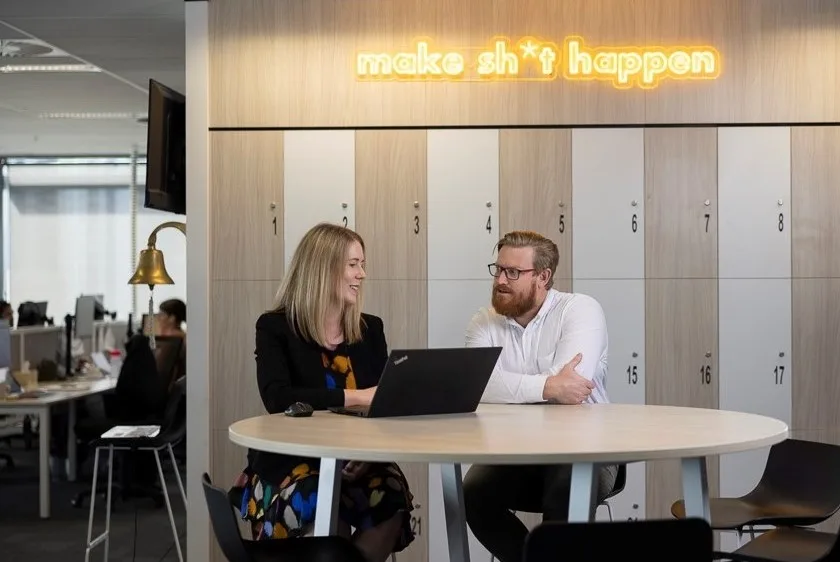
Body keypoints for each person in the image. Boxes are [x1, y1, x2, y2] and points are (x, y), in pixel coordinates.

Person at [230, 222, 415, 562]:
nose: (363, 274)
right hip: (292, 459)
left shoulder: (369, 328)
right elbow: (279, 399)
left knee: (392, 497)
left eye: (363, 264)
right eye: (353, 264)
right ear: (323, 269)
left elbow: (384, 402)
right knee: (323, 505)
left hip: (360, 457)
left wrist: (370, 451)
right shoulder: (275, 327)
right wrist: (357, 396)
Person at [462, 230, 617, 562]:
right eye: (498, 269)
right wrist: (548, 387)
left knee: (565, 486)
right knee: (471, 493)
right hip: (516, 453)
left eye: (513, 272)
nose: (501, 280)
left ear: (543, 277)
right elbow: (475, 388)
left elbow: (573, 390)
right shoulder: (484, 323)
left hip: (586, 451)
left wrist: (508, 388)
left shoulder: (580, 310)